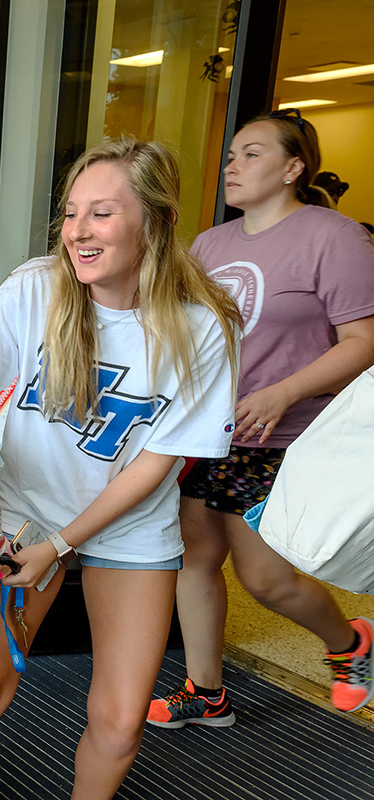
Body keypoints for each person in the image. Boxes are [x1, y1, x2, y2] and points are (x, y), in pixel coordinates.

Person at [0, 137, 242, 800]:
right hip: (26, 512)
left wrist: (66, 545)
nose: (78, 232)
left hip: (129, 525)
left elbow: (157, 461)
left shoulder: (203, 325)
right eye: (70, 214)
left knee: (120, 725)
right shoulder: (34, 290)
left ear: (158, 220)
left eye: (101, 213)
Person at [147, 109, 374, 730]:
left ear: (294, 167)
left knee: (265, 577)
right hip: (210, 431)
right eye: (230, 155)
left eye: (251, 154)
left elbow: (362, 340)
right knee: (194, 556)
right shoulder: (209, 244)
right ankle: (207, 693)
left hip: (286, 436)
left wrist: (281, 393)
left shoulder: (334, 236)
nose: (232, 166)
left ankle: (351, 642)